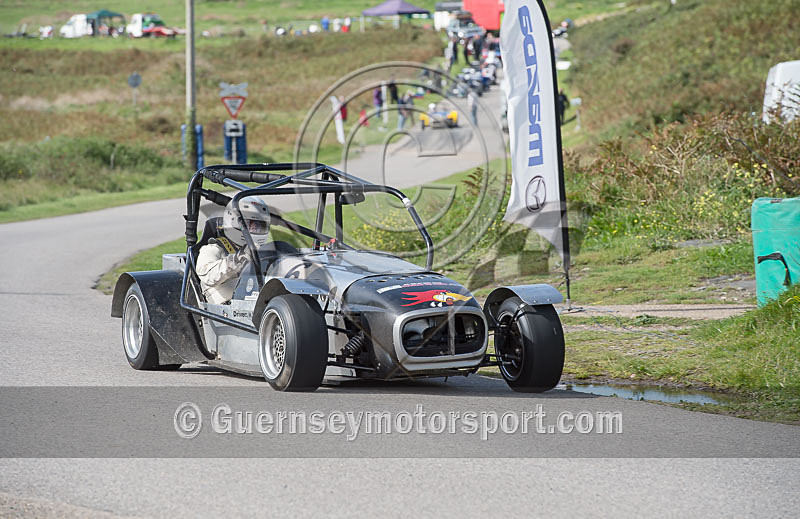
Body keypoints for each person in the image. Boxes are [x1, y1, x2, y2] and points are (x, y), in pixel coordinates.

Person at [196, 197, 271, 304]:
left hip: (258, 300)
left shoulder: (262, 251)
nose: (255, 229)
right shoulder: (213, 249)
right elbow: (208, 276)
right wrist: (236, 261)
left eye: (260, 226)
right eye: (249, 225)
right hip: (227, 306)